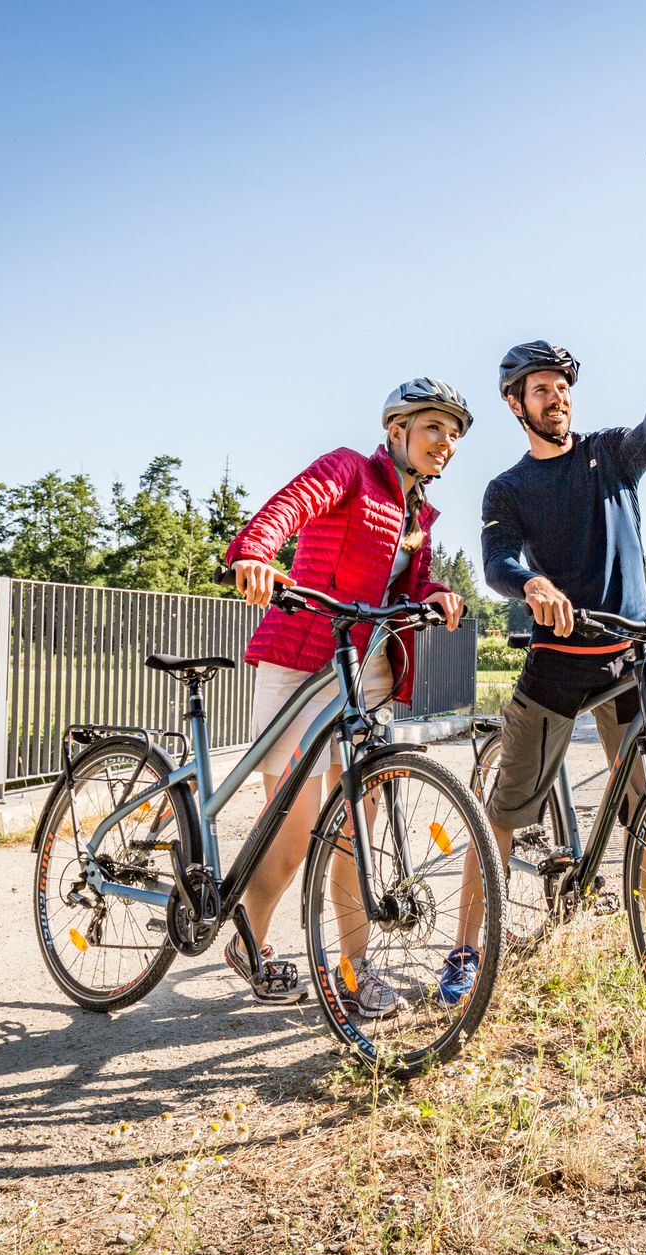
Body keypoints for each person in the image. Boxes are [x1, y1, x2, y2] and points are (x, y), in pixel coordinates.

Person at [221, 378, 470, 1013]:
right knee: (300, 825)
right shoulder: (349, 471)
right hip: (305, 658)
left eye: (454, 433)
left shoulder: (419, 515)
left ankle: (355, 970)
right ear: (397, 430)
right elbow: (290, 506)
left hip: (371, 676)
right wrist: (255, 552)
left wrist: (435, 592)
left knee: (357, 830)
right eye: (434, 427)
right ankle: (251, 940)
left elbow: (409, 580)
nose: (446, 442)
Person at [473, 341, 646, 998]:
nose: (558, 398)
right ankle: (466, 953)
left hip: (630, 660)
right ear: (516, 403)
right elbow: (497, 562)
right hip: (557, 668)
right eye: (542, 389)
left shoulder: (610, 457)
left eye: (562, 387)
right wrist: (532, 586)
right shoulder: (510, 488)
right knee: (501, 816)